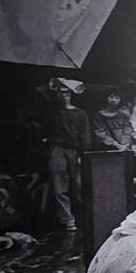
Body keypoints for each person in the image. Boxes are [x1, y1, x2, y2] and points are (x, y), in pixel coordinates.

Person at [47, 81, 90, 232]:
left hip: (75, 151)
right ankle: (68, 219)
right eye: (61, 93)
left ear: (71, 95)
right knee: (59, 186)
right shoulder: (54, 112)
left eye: (67, 93)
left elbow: (85, 135)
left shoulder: (80, 113)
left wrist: (82, 154)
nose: (64, 96)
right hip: (58, 149)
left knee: (79, 186)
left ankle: (86, 217)